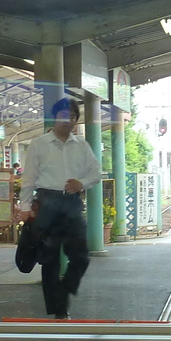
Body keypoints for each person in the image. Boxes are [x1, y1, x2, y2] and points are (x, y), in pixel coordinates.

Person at [16, 98, 103, 319]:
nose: (68, 121)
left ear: (76, 120)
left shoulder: (82, 145)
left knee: (81, 256)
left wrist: (81, 184)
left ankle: (63, 292)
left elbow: (96, 173)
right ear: (54, 118)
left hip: (71, 202)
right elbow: (29, 179)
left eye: (72, 117)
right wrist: (25, 208)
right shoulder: (39, 144)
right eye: (63, 116)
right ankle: (59, 311)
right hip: (47, 204)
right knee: (50, 260)